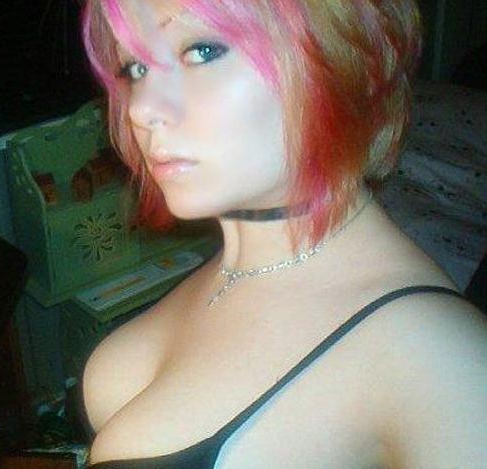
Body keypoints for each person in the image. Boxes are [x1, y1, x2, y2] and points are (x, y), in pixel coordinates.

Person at [80, 1, 487, 467]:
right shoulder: (243, 265)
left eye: (202, 51)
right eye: (134, 67)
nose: (142, 109)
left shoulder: (442, 360)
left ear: (341, 57)